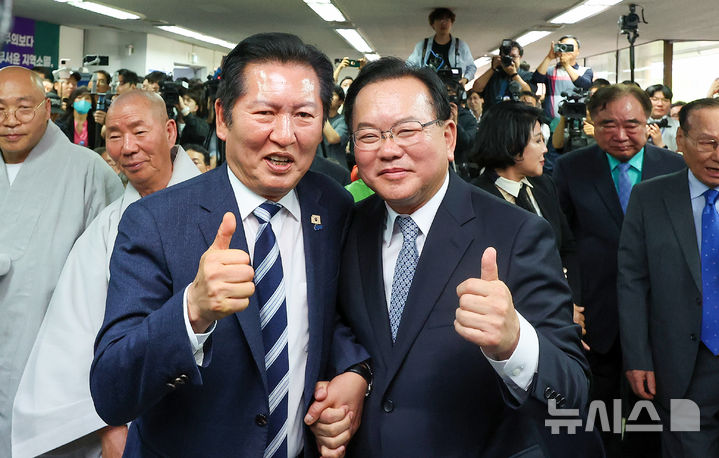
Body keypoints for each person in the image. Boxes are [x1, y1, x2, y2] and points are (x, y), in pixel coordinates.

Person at [89, 33, 369, 458]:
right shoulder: (155, 221)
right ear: (222, 118)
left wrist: (355, 371)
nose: (285, 135)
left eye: (303, 115)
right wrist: (191, 311)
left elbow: (335, 315)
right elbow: (111, 391)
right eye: (265, 113)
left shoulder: (331, 205)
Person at [335, 56, 591, 457]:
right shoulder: (348, 227)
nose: (389, 150)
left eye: (407, 130)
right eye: (368, 136)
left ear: (449, 136)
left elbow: (572, 388)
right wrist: (352, 371)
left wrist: (515, 342)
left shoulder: (517, 233)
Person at [12, 90, 201, 458]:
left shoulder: (217, 204)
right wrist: (108, 421)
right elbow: (74, 329)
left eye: (139, 132)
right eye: (114, 136)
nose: (127, 148)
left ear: (170, 132)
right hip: (134, 410)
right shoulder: (107, 227)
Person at [553, 83, 685, 455]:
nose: (621, 135)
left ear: (649, 121)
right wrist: (572, 301)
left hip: (662, 309)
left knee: (661, 412)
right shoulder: (571, 168)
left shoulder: (675, 167)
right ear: (593, 123)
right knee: (601, 409)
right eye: (608, 125)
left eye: (632, 124)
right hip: (598, 309)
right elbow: (562, 241)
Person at [0, 66, 123, 456]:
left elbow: (115, 278)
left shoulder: (88, 170)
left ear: (47, 109)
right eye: (0, 109)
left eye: (23, 108)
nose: (10, 120)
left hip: (55, 355)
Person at [618, 97, 719, 457]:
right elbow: (632, 282)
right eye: (708, 143)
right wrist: (637, 356)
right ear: (681, 140)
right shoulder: (650, 198)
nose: (718, 155)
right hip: (681, 362)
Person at [472, 101, 581, 307]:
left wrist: (571, 302)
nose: (545, 149)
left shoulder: (544, 185)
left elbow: (567, 248)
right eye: (538, 141)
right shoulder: (476, 199)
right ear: (512, 145)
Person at [407, 7, 476, 85]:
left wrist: (465, 79)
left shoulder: (461, 46)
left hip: (451, 87)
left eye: (447, 20)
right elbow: (409, 65)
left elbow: (471, 67)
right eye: (439, 19)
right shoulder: (422, 46)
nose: (443, 23)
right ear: (432, 24)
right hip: (430, 87)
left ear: (451, 23)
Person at [532, 36, 593, 120]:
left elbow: (585, 85)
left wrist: (566, 65)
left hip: (577, 120)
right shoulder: (550, 71)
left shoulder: (585, 71)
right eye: (563, 47)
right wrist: (549, 57)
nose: (566, 50)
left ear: (578, 51)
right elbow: (536, 79)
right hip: (551, 120)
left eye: (570, 47)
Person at [472, 40, 533, 110]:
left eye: (513, 56)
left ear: (520, 57)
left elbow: (528, 95)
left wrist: (513, 74)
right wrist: (492, 68)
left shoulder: (527, 75)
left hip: (516, 115)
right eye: (506, 57)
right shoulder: (493, 75)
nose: (510, 60)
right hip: (494, 115)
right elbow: (476, 88)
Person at [316, 84, 350, 170]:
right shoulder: (315, 118)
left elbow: (333, 138)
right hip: (318, 167)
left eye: (333, 94)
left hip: (337, 169)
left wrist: (321, 113)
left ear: (341, 101)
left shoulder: (343, 121)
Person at [646, 83, 679, 151]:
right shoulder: (636, 124)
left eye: (665, 100)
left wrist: (660, 144)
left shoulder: (678, 126)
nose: (660, 104)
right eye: (655, 99)